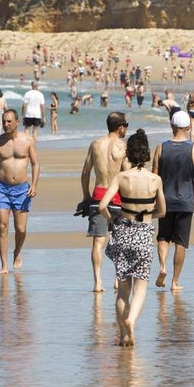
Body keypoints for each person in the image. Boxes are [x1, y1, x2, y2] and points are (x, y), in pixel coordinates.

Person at [98, 129, 166, 347]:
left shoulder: (121, 177)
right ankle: (131, 321)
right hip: (144, 232)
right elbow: (162, 211)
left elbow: (102, 206)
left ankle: (122, 334)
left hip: (123, 232)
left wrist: (112, 221)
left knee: (123, 289)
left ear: (129, 153)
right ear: (146, 154)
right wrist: (147, 214)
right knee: (141, 287)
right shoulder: (155, 179)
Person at [152, 110, 194, 291]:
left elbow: (154, 175)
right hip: (185, 201)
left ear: (172, 126)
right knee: (181, 242)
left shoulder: (161, 147)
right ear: (189, 127)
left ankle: (162, 267)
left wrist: (153, 198)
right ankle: (175, 281)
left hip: (164, 199)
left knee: (163, 236)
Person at [0, 109, 40, 274]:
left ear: (18, 121)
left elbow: (36, 164)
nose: (6, 124)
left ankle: (17, 251)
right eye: (4, 121)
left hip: (22, 189)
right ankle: (4, 264)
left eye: (9, 121)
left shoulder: (28, 141)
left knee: (21, 229)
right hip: (1, 189)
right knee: (2, 226)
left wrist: (35, 185)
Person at [79, 112, 129, 292]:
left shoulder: (95, 144)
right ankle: (117, 279)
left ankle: (98, 282)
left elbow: (85, 172)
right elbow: (126, 173)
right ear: (121, 127)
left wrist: (86, 196)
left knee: (98, 242)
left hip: (98, 195)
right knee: (119, 240)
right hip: (116, 197)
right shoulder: (122, 147)